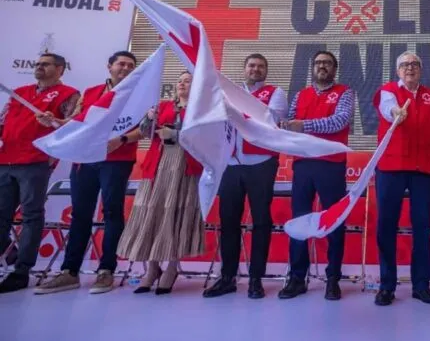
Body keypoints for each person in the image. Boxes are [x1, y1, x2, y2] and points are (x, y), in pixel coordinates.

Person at [35, 51, 141, 295]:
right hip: (85, 160)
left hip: (117, 160)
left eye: (130, 65)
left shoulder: (140, 95)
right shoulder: (92, 92)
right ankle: (69, 272)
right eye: (121, 64)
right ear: (109, 66)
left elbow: (146, 128)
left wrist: (122, 139)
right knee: (80, 214)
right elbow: (76, 122)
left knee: (113, 212)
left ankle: (106, 271)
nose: (125, 68)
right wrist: (53, 121)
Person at [204, 54, 288, 299]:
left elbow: (271, 119)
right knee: (228, 221)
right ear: (244, 69)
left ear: (266, 71)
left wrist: (241, 108)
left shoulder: (275, 92)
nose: (256, 69)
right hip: (230, 164)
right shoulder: (227, 92)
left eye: (261, 66)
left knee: (261, 221)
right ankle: (228, 276)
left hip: (261, 164)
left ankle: (255, 278)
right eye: (252, 66)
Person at [116, 71, 206, 295]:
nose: (183, 84)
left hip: (185, 166)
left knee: (176, 214)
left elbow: (204, 137)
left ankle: (172, 267)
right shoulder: (163, 106)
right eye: (180, 80)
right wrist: (148, 117)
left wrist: (175, 134)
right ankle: (152, 267)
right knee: (151, 213)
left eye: (188, 81)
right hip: (157, 164)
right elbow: (146, 133)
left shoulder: (201, 109)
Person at [372, 51, 430, 306]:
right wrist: (396, 112)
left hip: (423, 167)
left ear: (421, 69)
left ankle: (421, 284)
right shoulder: (388, 91)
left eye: (415, 64)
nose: (410, 68)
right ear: (398, 70)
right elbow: (386, 108)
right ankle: (386, 285)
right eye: (405, 64)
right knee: (386, 225)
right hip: (391, 166)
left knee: (422, 226)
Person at [0, 53, 79, 293]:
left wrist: (54, 121)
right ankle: (10, 253)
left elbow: (73, 125)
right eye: (37, 64)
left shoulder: (69, 94)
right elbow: (4, 120)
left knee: (32, 216)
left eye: (45, 64)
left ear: (60, 69)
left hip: (35, 161)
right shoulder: (20, 92)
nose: (39, 67)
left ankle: (22, 270)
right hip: (6, 160)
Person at [278, 50, 353, 301]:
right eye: (319, 62)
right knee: (300, 221)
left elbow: (339, 121)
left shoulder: (345, 92)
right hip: (303, 164)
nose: (323, 66)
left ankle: (333, 279)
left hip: (331, 164)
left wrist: (305, 125)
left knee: (334, 221)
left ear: (335, 68)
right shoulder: (300, 94)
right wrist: (287, 125)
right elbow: (289, 123)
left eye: (328, 63)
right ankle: (297, 278)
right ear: (313, 67)